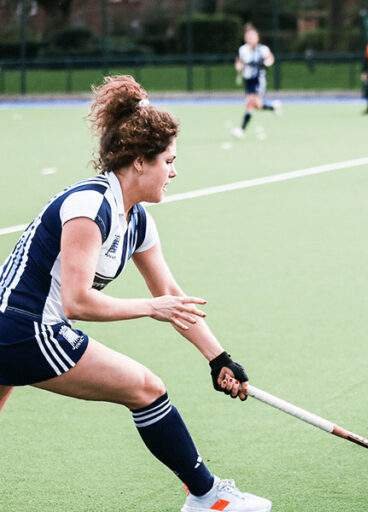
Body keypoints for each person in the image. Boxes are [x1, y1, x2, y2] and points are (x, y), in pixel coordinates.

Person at [0, 75, 271, 512]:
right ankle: (208, 496)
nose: (175, 172)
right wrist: (151, 308)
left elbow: (171, 293)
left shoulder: (137, 220)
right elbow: (77, 301)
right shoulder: (91, 208)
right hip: (24, 327)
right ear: (140, 161)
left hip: (15, 328)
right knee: (146, 388)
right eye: (169, 161)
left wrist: (219, 358)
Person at [232, 24, 280, 139]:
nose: (250, 39)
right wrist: (238, 67)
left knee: (250, 103)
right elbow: (239, 62)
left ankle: (241, 129)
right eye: (248, 37)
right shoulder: (242, 50)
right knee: (257, 105)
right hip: (248, 80)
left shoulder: (263, 49)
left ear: (257, 37)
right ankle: (272, 106)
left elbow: (270, 59)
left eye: (252, 36)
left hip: (259, 80)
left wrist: (267, 63)